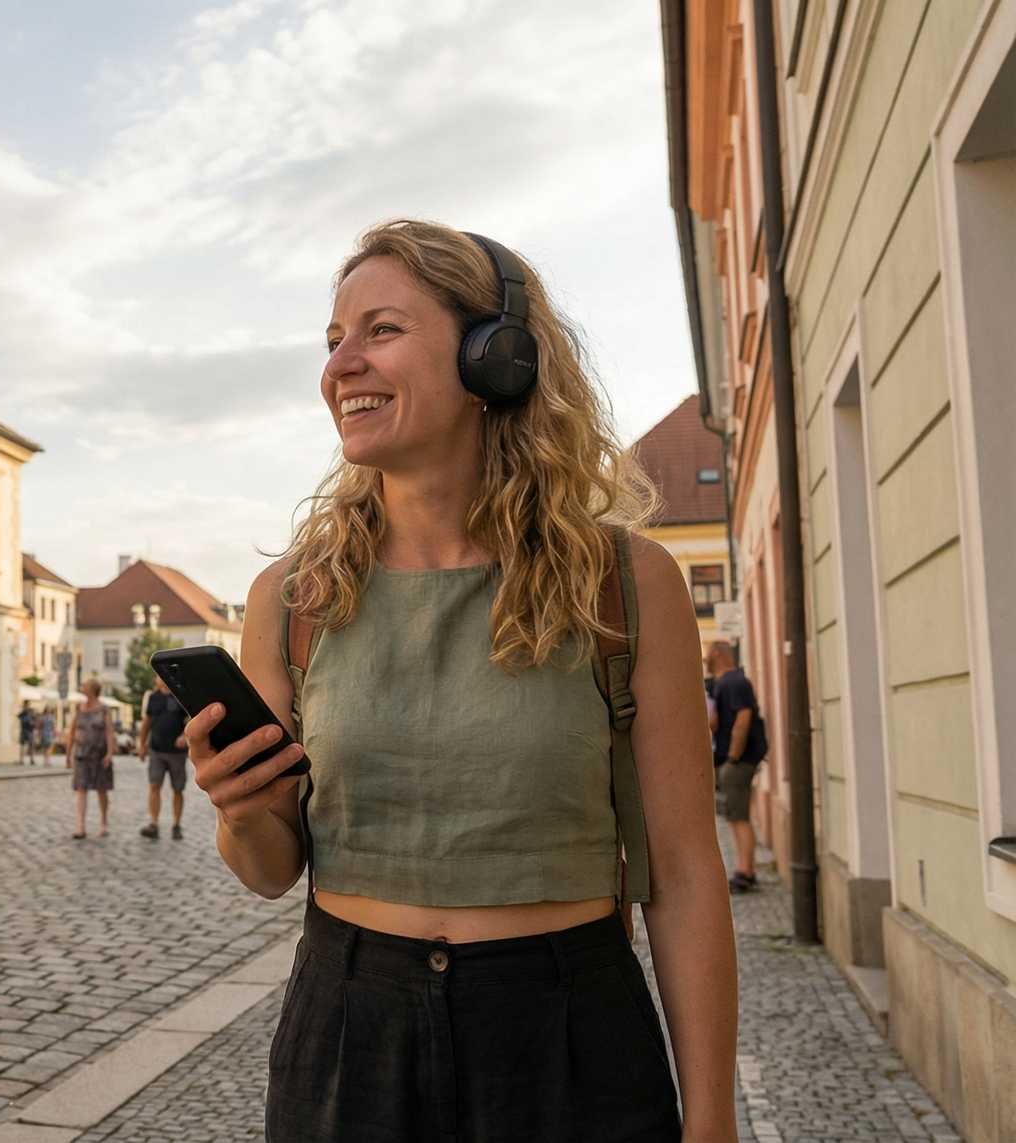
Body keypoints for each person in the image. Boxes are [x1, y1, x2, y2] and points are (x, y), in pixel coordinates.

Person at [189, 221, 735, 1140]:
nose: (340, 367)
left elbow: (681, 874)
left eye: (381, 330)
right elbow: (271, 870)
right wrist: (242, 811)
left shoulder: (626, 583)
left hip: (568, 1041)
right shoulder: (291, 597)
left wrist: (712, 1120)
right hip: (349, 1037)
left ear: (498, 357)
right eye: (333, 342)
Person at [707, 641, 767, 893]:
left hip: (739, 762)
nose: (705, 659)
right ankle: (744, 869)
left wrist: (732, 758)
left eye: (708, 654)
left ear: (718, 654)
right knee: (734, 816)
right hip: (735, 761)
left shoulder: (734, 682)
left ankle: (745, 872)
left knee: (739, 817)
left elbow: (743, 719)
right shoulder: (726, 683)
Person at [137, 675, 190, 840]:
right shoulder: (153, 697)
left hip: (177, 753)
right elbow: (147, 722)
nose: (158, 678)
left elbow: (190, 720)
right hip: (156, 750)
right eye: (156, 676)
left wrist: (184, 736)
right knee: (154, 786)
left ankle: (176, 825)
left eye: (160, 675)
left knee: (178, 789)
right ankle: (154, 824)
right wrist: (142, 744)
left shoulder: (181, 695)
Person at [64, 678, 113, 839]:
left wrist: (109, 753)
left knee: (101, 790)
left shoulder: (104, 709)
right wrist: (68, 754)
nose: (82, 687)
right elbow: (71, 732)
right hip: (81, 755)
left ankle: (104, 823)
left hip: (99, 755)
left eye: (84, 686)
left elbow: (109, 733)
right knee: (81, 789)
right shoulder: (79, 708)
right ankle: (80, 827)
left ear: (92, 690)